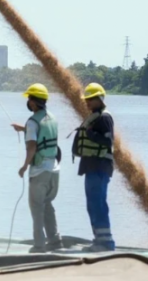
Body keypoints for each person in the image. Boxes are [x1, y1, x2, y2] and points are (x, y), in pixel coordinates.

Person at [11, 84, 62, 253]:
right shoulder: (52, 117)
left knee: (36, 207)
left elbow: (32, 146)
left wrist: (24, 167)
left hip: (39, 171)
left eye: (29, 99)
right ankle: (55, 241)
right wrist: (23, 128)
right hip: (54, 170)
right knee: (47, 205)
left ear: (34, 102)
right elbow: (43, 133)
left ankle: (39, 245)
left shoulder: (32, 122)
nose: (28, 102)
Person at [72, 82, 115, 252]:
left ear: (99, 99)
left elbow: (108, 141)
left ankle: (106, 242)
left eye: (90, 99)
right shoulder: (94, 116)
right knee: (92, 204)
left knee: (98, 203)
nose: (87, 102)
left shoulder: (104, 118)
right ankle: (99, 239)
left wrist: (90, 134)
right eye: (86, 99)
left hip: (100, 167)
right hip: (92, 168)